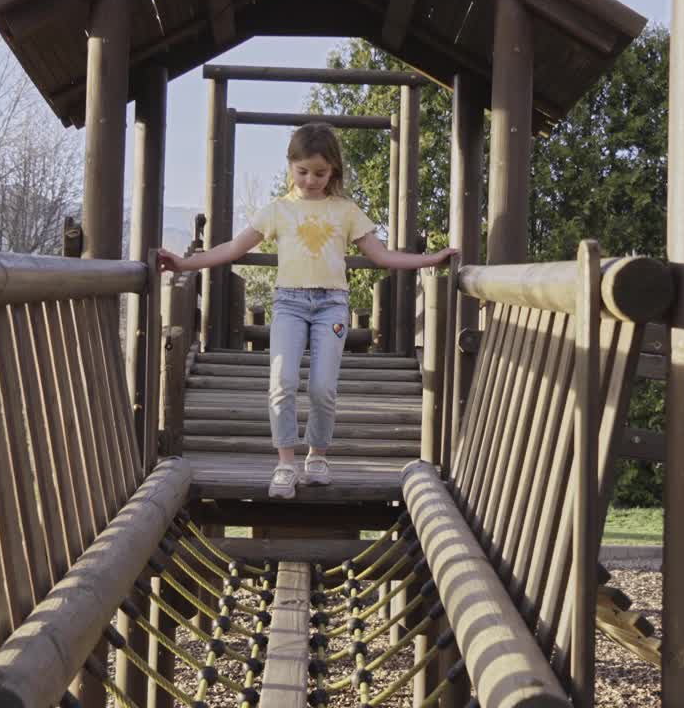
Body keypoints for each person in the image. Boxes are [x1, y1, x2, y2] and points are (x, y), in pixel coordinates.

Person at [157, 122, 458, 499]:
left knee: (322, 387)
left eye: (320, 172)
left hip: (331, 305)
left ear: (333, 170)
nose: (311, 180)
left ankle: (317, 456)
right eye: (303, 172)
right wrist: (183, 264)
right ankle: (285, 463)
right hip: (289, 304)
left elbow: (382, 255)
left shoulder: (346, 211)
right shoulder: (278, 210)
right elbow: (232, 249)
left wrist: (433, 258)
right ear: (290, 167)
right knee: (282, 382)